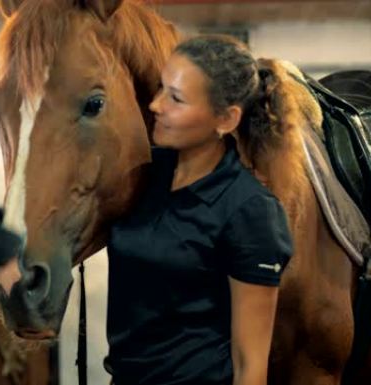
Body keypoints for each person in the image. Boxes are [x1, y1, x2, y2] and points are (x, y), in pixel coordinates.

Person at [104, 35, 294, 385]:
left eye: (175, 98)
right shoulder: (143, 175)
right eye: (161, 89)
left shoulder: (250, 211)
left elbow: (249, 364)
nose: (156, 105)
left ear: (226, 119)